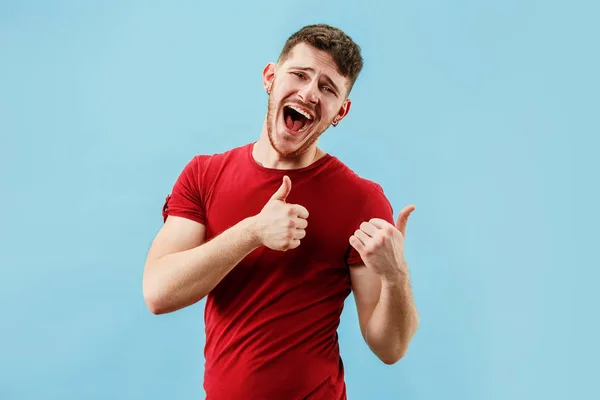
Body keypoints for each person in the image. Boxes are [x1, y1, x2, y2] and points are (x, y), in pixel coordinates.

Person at [142, 23, 419, 400]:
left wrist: (397, 276)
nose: (308, 93)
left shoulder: (362, 199)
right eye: (300, 74)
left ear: (341, 110)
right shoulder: (204, 175)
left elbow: (390, 348)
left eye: (327, 88)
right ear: (270, 77)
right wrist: (252, 233)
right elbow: (158, 293)